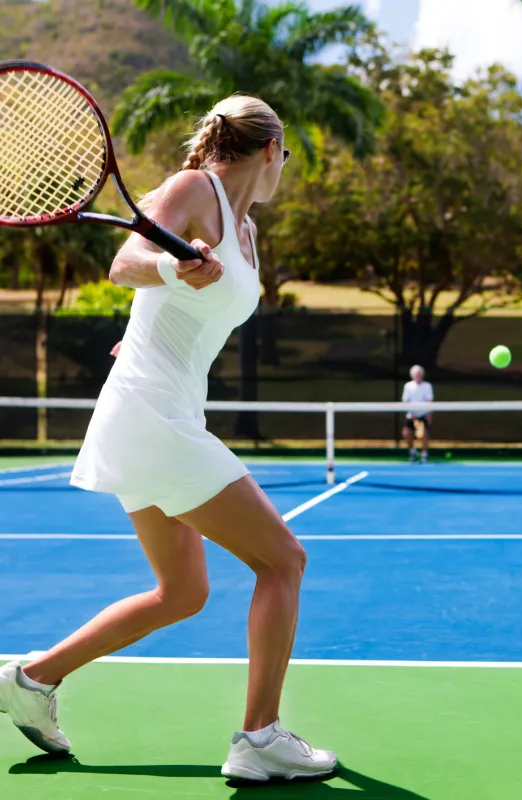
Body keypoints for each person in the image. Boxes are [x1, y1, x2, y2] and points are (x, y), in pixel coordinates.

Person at [0, 96, 336, 783]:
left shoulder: (244, 232)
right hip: (153, 415)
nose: (285, 168)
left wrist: (154, 316)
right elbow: (127, 262)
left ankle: (29, 679)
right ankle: (260, 738)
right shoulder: (191, 189)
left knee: (181, 592)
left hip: (158, 409)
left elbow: (182, 314)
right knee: (284, 561)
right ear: (271, 150)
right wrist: (169, 270)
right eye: (287, 156)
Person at [402, 365, 434, 463]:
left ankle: (424, 455)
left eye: (419, 374)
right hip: (411, 415)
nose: (417, 376)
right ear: (412, 375)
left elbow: (429, 401)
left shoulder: (427, 386)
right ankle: (413, 451)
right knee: (406, 433)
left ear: (422, 375)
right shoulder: (408, 386)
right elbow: (405, 401)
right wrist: (411, 413)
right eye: (416, 375)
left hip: (423, 414)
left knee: (423, 435)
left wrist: (429, 414)